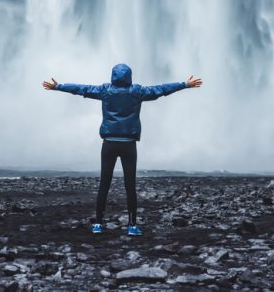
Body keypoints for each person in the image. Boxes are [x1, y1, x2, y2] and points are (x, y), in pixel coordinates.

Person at [43, 63, 202, 236]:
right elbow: (161, 89)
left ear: (113, 76)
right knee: (130, 186)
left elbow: (82, 89)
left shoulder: (105, 91)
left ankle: (98, 224)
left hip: (109, 144)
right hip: (128, 145)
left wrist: (58, 86)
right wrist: (185, 84)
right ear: (129, 77)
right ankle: (132, 226)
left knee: (104, 184)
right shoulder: (137, 92)